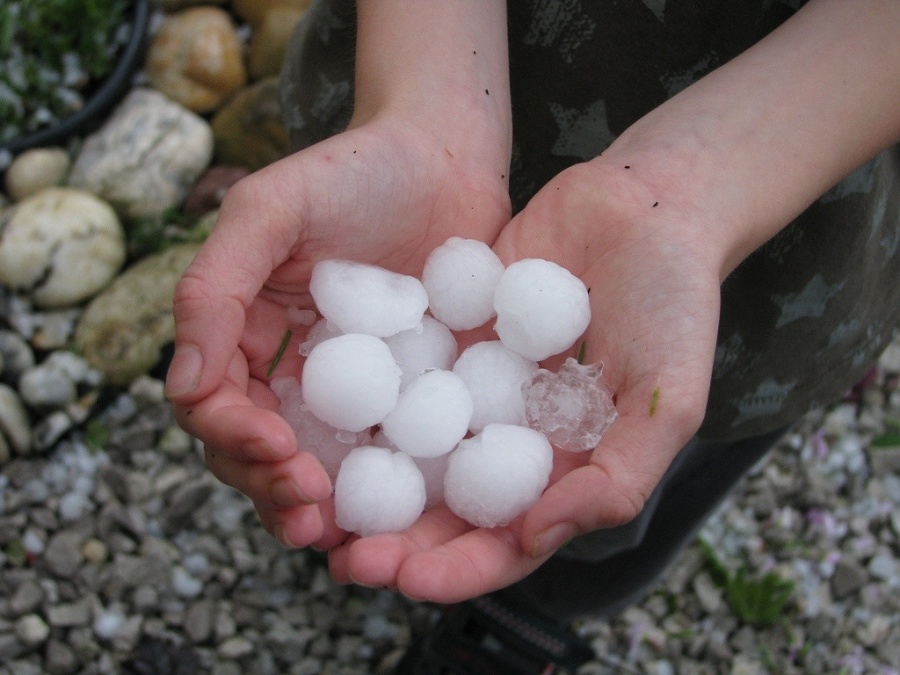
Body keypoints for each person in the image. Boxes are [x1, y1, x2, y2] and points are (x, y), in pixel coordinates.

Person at [166, 0, 900, 667]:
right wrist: (424, 106)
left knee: (626, 480)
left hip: (798, 196)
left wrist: (692, 195)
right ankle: (464, 580)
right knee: (355, 500)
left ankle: (529, 610)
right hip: (428, 70)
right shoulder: (409, 326)